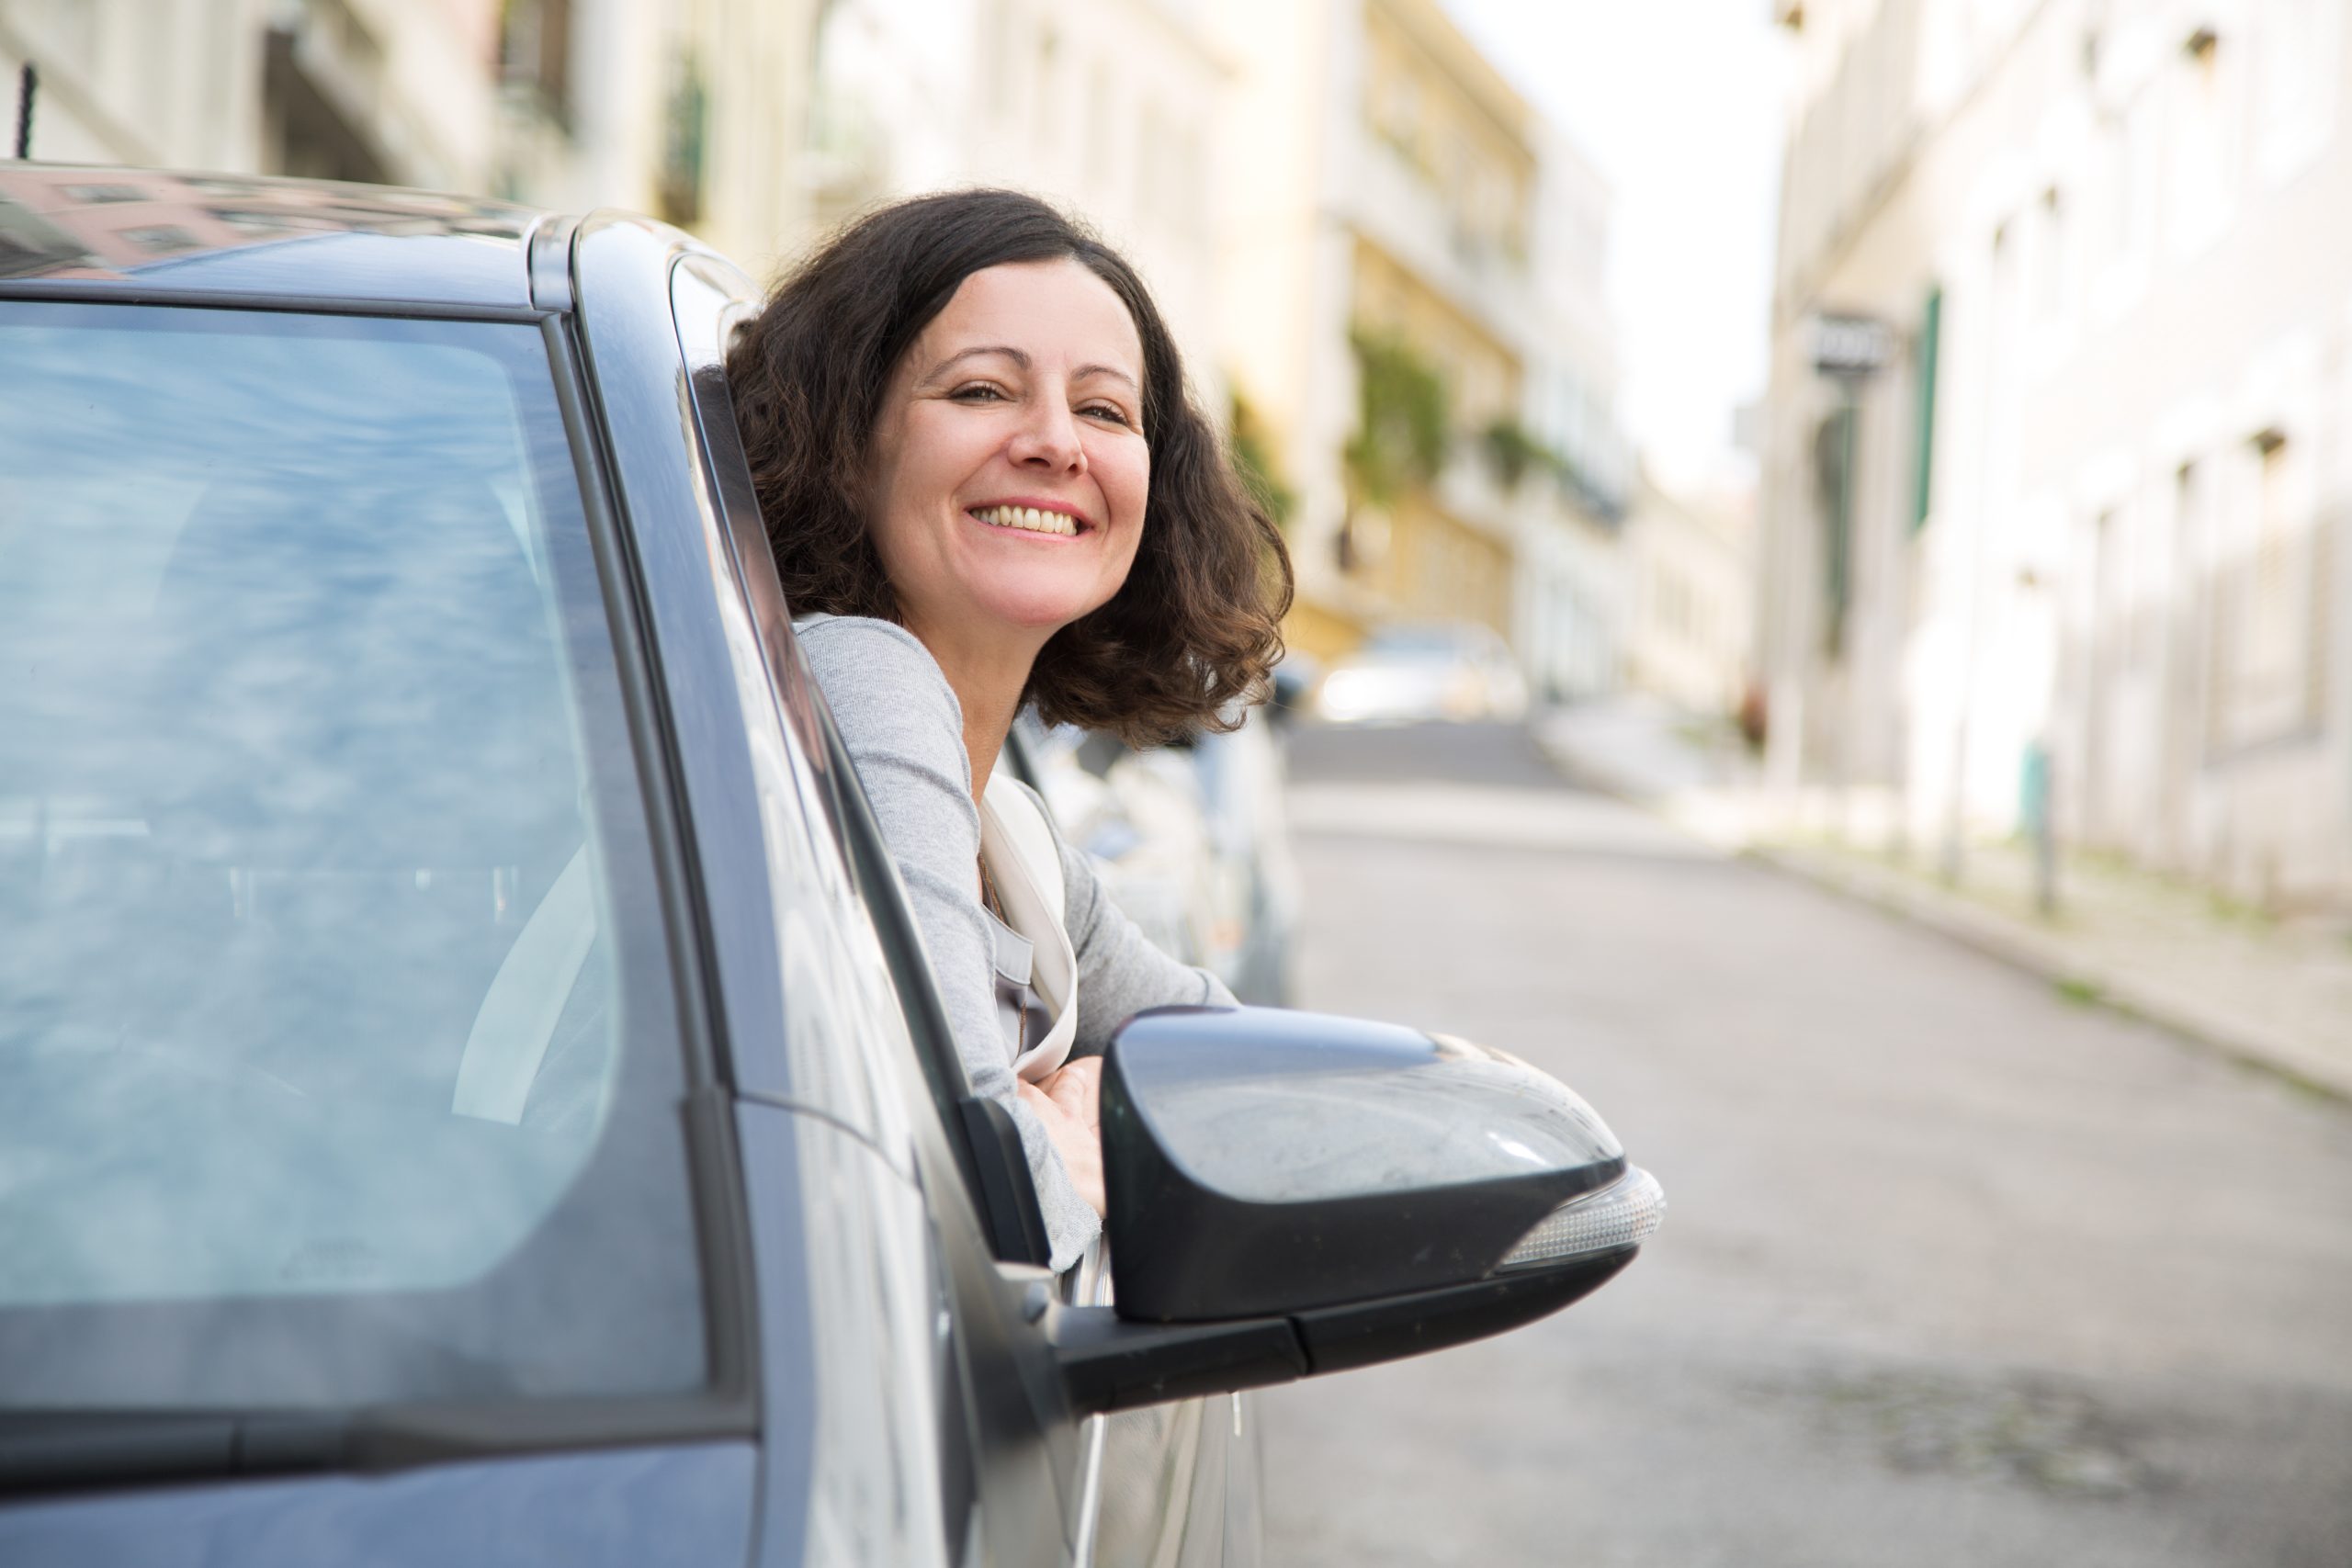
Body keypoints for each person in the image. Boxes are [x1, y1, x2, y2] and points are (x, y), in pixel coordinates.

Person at [726, 189, 1293, 1269]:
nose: (1052, 444)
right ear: (847, 443)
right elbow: (971, 1197)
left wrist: (1066, 1116)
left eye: (1105, 410)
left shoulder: (1016, 845)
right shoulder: (856, 677)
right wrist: (1077, 1151)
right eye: (982, 389)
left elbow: (1251, 1082)